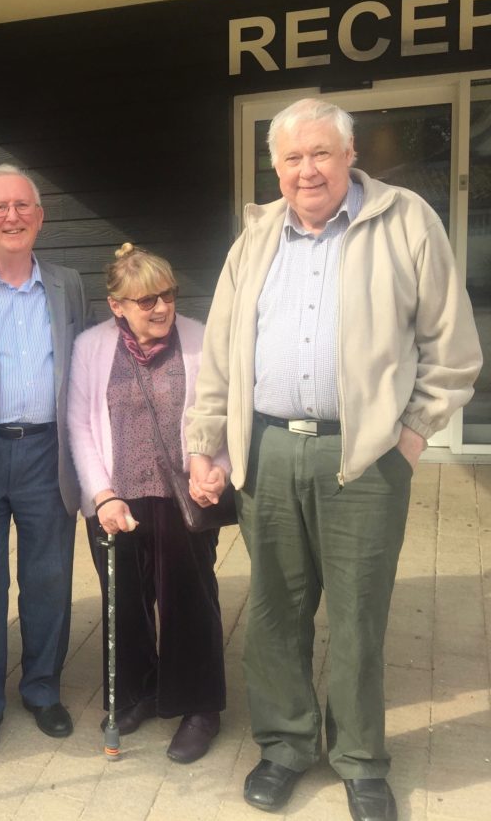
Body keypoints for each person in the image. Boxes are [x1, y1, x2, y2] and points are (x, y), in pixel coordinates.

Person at [185, 98, 482, 821]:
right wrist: (205, 442)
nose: (306, 169)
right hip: (270, 450)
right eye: (292, 157)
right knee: (276, 612)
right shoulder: (254, 238)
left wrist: (409, 437)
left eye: (321, 153)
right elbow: (222, 353)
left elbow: (451, 348)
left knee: (357, 618)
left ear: (350, 157)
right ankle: (286, 745)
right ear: (275, 166)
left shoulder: (406, 220)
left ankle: (360, 759)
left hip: (366, 457)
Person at [0, 163, 86, 756]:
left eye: (23, 206)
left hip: (48, 452)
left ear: (40, 216)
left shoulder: (69, 283)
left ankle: (43, 690)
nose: (12, 216)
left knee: (48, 579)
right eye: (0, 208)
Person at [68, 243, 226, 764]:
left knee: (189, 600)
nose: (160, 308)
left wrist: (217, 470)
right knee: (125, 606)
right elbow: (81, 424)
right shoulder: (91, 347)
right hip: (117, 501)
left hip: (184, 497)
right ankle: (139, 690)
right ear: (117, 305)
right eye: (145, 301)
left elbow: (222, 415)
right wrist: (101, 494)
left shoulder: (201, 340)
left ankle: (199, 706)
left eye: (167, 295)